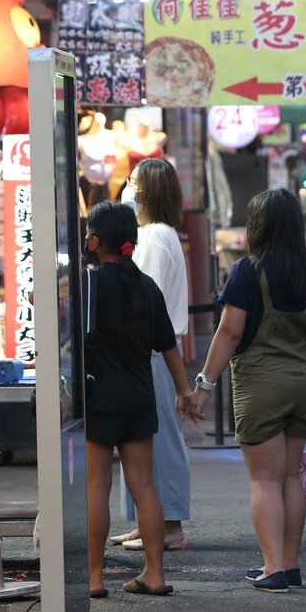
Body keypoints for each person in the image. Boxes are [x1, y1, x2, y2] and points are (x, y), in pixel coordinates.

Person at [192, 189, 306, 592]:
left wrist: (204, 385)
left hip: (260, 385)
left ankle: (272, 567)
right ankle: (290, 564)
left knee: (265, 481)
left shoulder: (246, 272)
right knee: (291, 476)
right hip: (303, 383)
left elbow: (229, 332)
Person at [84, 202, 194, 598]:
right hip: (138, 396)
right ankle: (154, 574)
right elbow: (168, 347)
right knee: (145, 485)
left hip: (98, 397)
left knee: (97, 486)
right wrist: (184, 391)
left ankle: (94, 579)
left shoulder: (88, 284)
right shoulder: (146, 286)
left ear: (96, 240)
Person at [109, 159, 193, 552]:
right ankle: (150, 523)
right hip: (147, 351)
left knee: (159, 441)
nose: (127, 186)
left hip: (153, 351)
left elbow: (148, 300)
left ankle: (169, 526)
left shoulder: (156, 237)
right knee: (142, 440)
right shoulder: (154, 234)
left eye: (133, 181)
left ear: (145, 191)